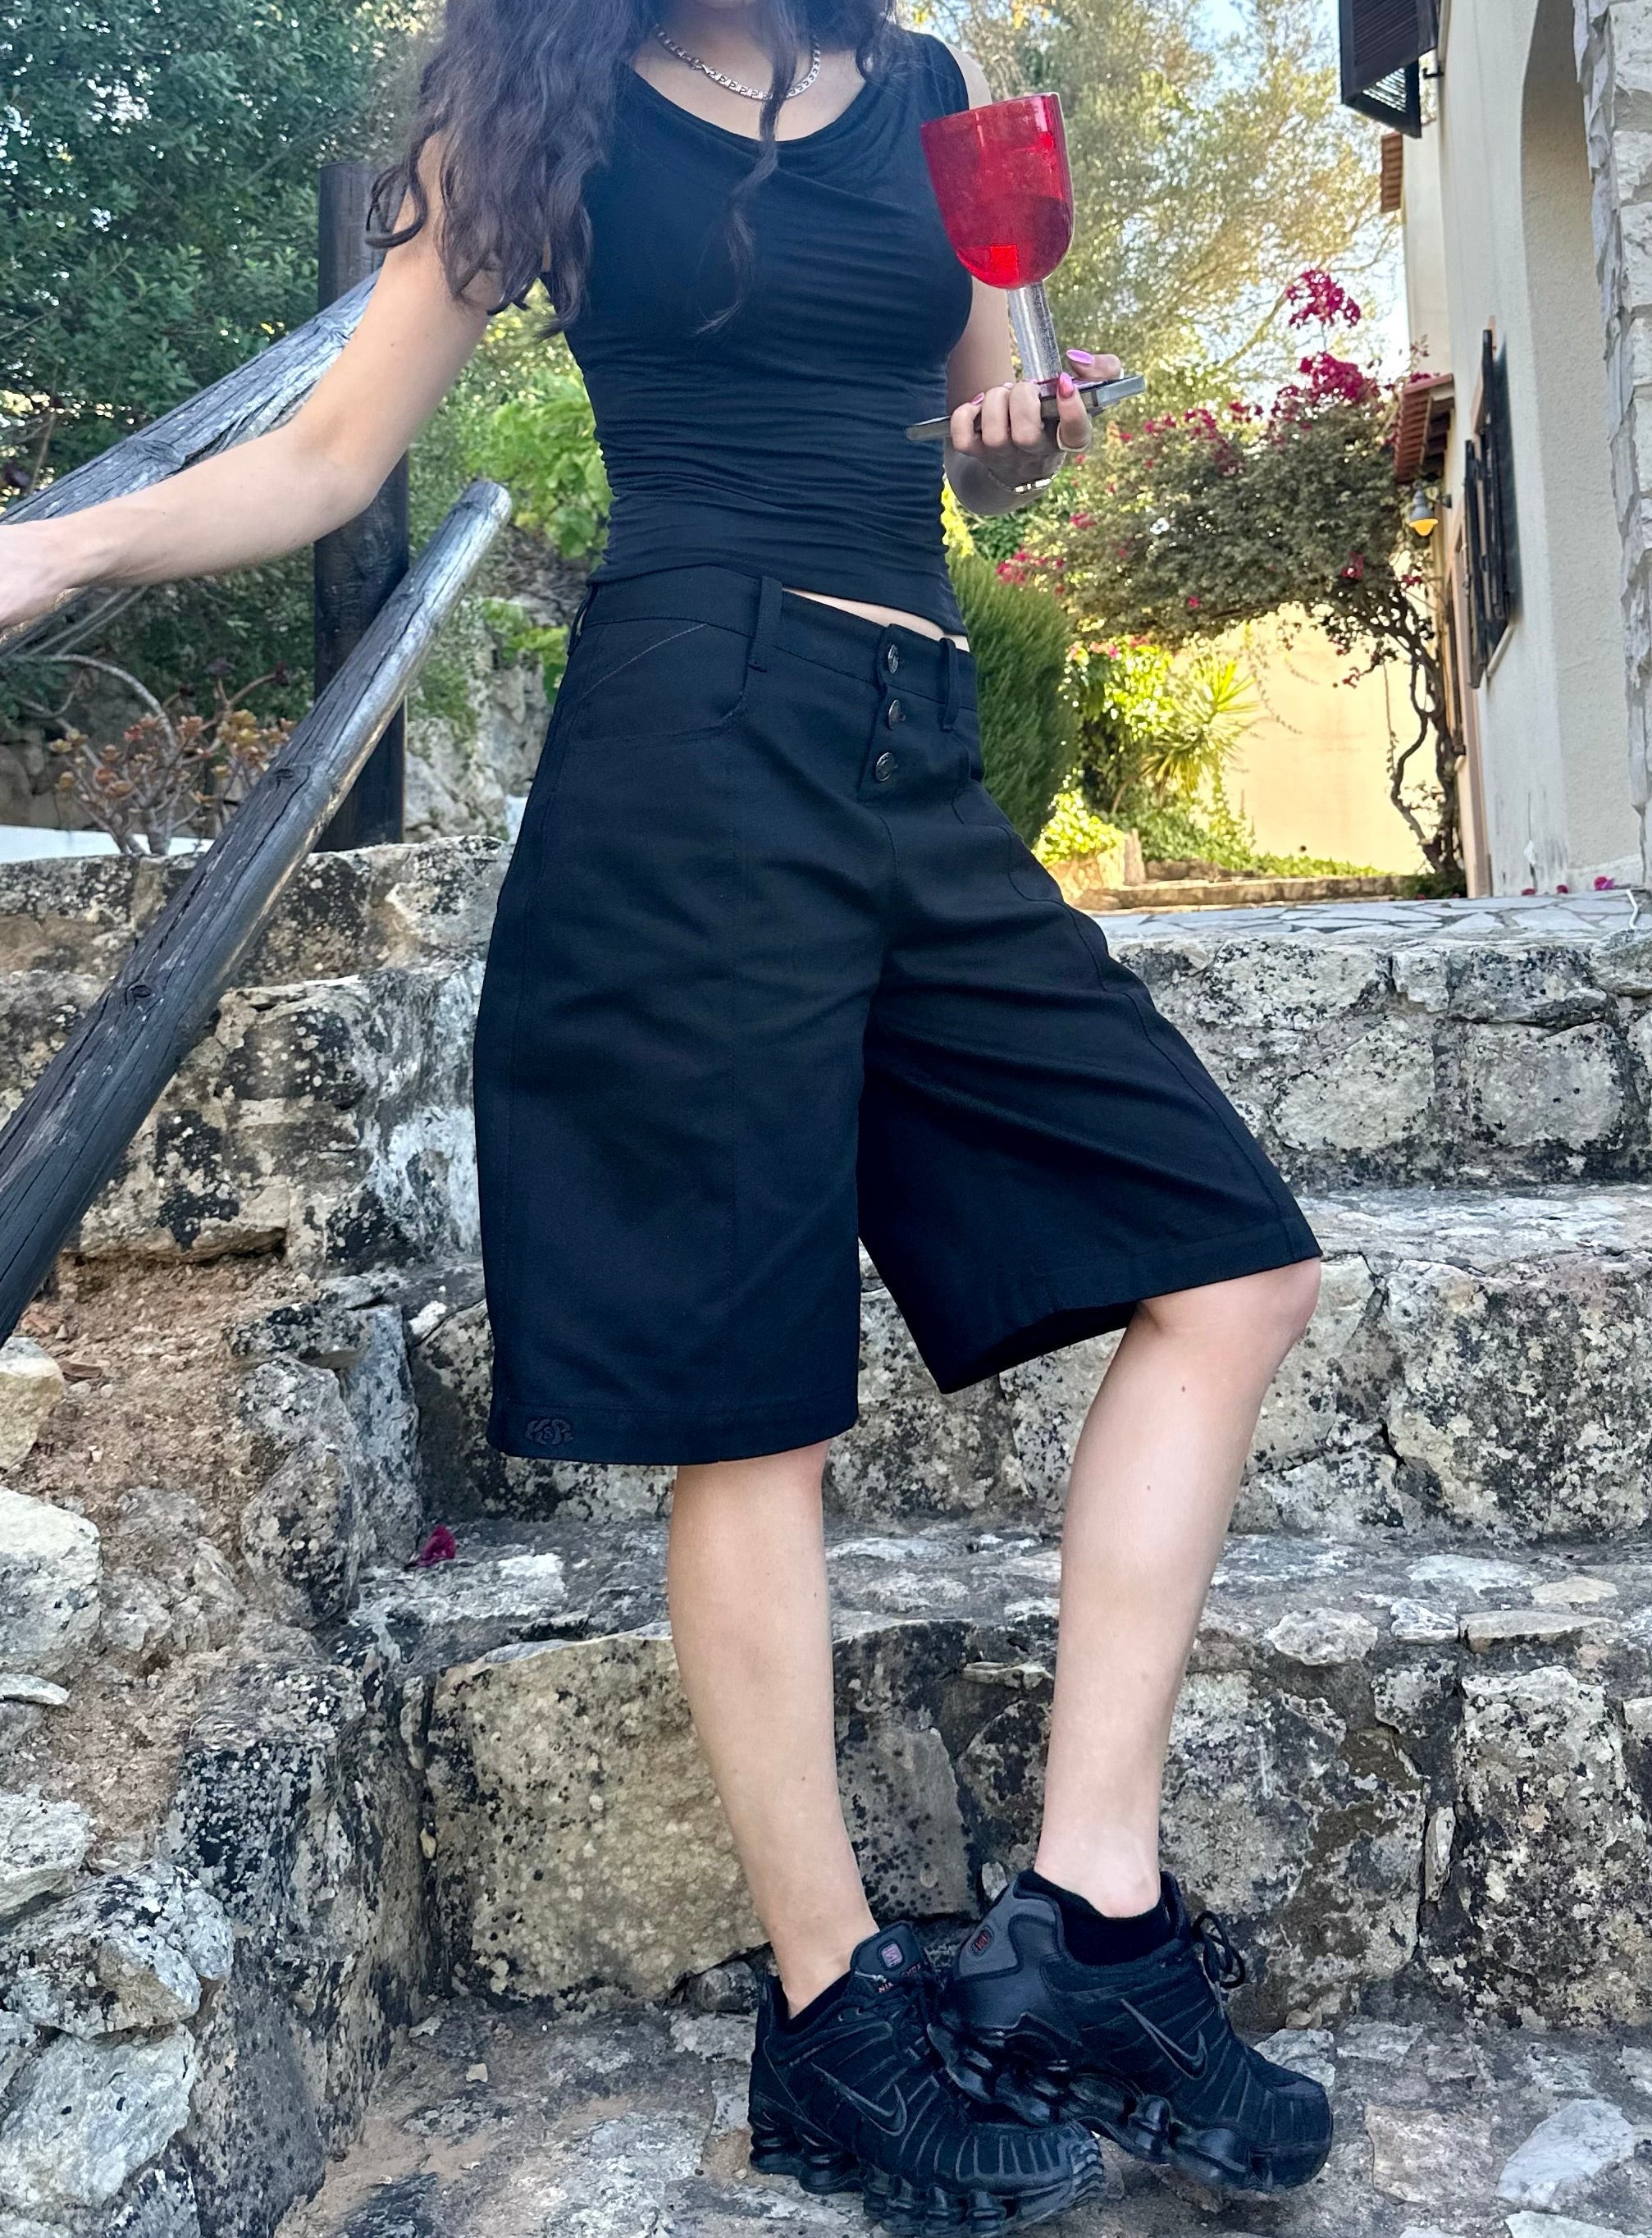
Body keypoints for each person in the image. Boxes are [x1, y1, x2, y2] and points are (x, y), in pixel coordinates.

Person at [0, 1, 1334, 2226]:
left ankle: (1093, 1924)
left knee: (1234, 1265)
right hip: (691, 748)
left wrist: (1023, 429)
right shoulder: (538, 112)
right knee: (753, 1398)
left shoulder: (928, 93)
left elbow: (988, 432)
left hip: (915, 740)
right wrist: (51, 549)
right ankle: (832, 2017)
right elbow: (329, 459)